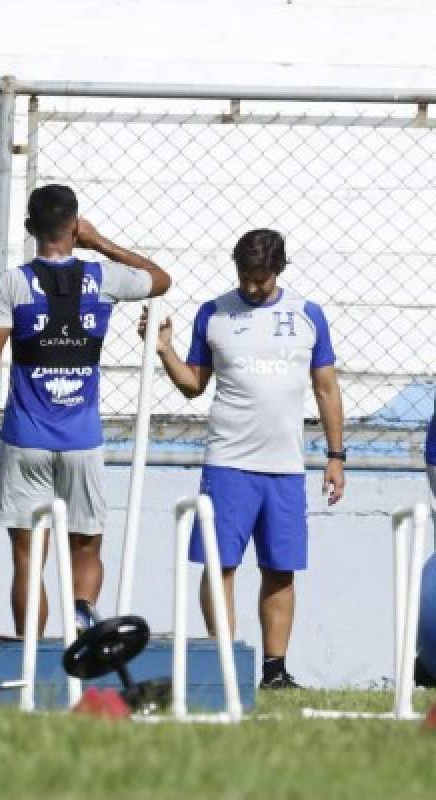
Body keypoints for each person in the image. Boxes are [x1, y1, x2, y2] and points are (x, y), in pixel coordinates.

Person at [0, 184, 170, 635]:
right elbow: (160, 277)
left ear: (30, 229)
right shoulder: (101, 278)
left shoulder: (14, 281)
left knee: (29, 559)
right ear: (74, 226)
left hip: (25, 438)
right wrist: (100, 242)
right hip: (81, 440)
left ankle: (31, 656)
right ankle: (83, 618)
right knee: (86, 547)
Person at [143, 228, 345, 689]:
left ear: (279, 270)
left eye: (262, 279)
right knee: (221, 565)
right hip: (228, 463)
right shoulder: (213, 314)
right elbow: (194, 384)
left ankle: (275, 671)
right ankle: (225, 666)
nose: (252, 287)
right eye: (246, 278)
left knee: (281, 568)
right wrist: (164, 350)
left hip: (286, 467)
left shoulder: (308, 315)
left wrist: (336, 456)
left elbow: (327, 388)